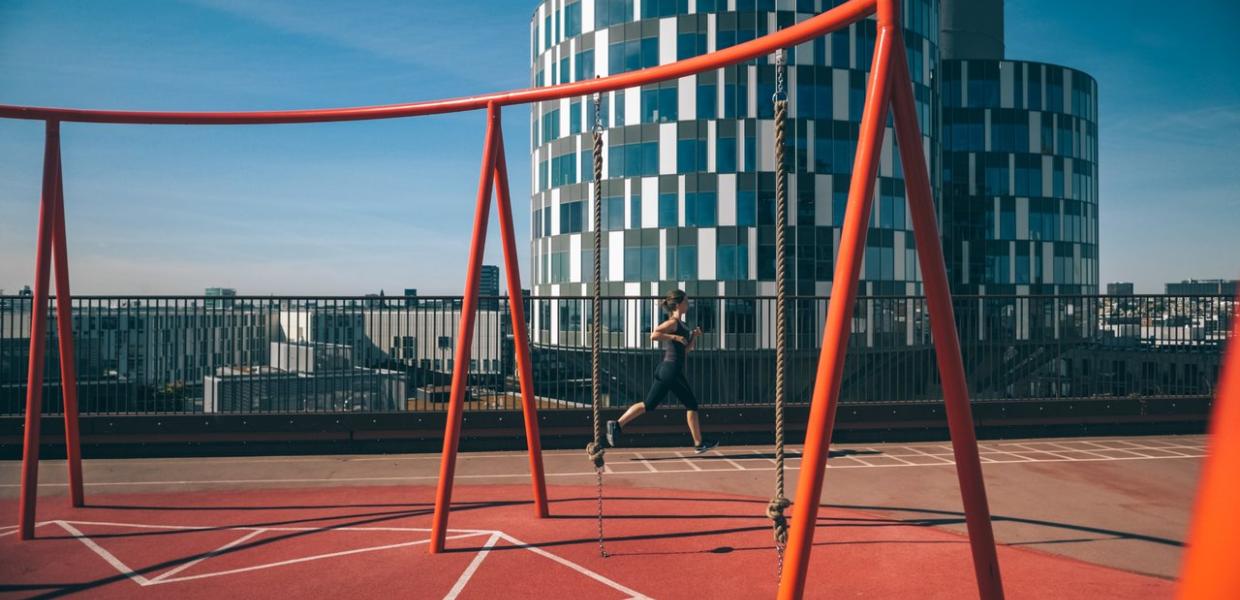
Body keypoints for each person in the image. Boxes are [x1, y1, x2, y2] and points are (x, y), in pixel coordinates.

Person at [606, 289, 719, 454]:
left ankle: (616, 425)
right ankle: (699, 443)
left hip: (668, 369)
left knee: (649, 404)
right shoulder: (673, 323)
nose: (688, 305)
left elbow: (686, 351)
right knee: (691, 404)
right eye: (686, 301)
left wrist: (693, 336)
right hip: (670, 369)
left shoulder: (682, 325)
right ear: (679, 304)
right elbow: (654, 335)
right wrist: (674, 337)